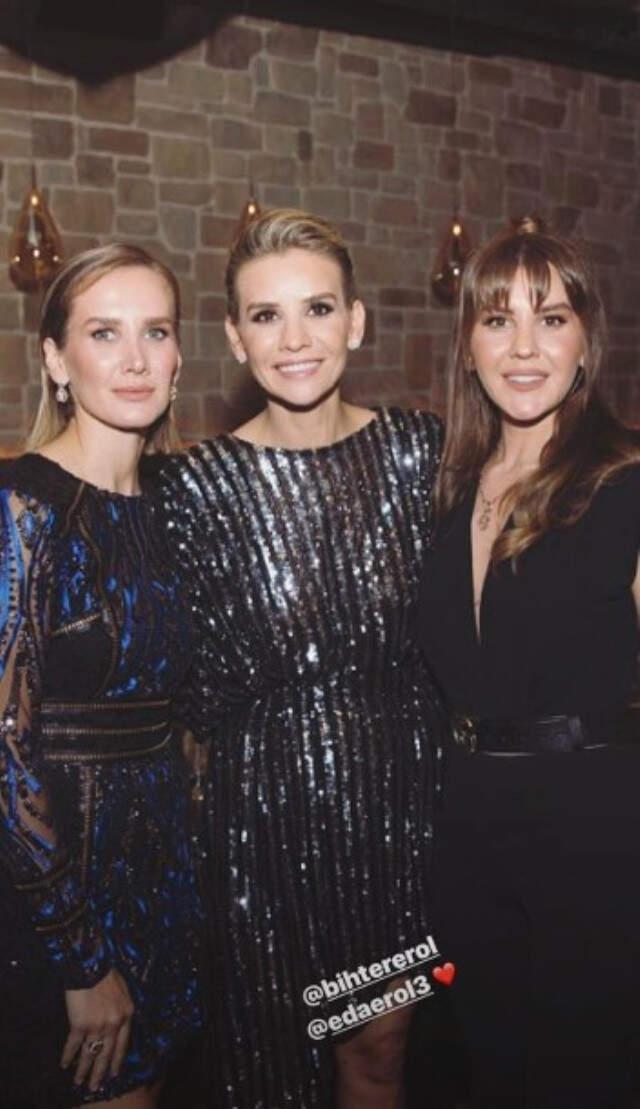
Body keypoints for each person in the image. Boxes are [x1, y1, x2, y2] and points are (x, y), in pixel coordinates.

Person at [154, 208, 445, 1107]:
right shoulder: (196, 484)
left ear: (355, 321)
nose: (294, 340)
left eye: (317, 309)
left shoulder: (419, 452)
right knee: (268, 1070)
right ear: (235, 338)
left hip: (399, 811)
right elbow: (183, 681)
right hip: (260, 818)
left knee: (379, 1053)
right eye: (266, 316)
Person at [418, 218, 640, 1108]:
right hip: (468, 833)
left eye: (551, 319)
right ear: (468, 346)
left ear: (586, 344)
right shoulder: (449, 492)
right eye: (497, 319)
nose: (522, 347)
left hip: (594, 835)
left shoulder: (626, 483)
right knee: (490, 1071)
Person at [0, 244, 203, 1108]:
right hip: (58, 886)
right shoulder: (20, 507)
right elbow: (5, 751)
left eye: (155, 331)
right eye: (103, 333)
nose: (134, 359)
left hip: (164, 874)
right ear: (56, 359)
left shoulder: (178, 507)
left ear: (179, 355)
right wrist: (80, 958)